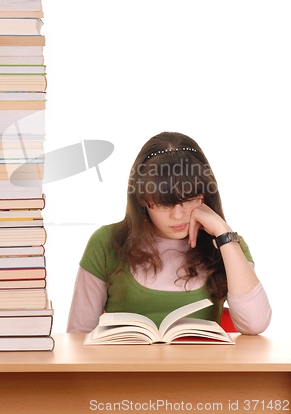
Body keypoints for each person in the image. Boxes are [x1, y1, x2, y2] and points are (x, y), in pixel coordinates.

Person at [67, 132, 271, 334]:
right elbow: (78, 336)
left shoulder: (228, 245)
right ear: (142, 200)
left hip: (201, 367)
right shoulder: (105, 243)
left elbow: (255, 324)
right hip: (126, 368)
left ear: (205, 195)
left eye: (190, 199)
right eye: (164, 204)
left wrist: (223, 232)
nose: (178, 215)